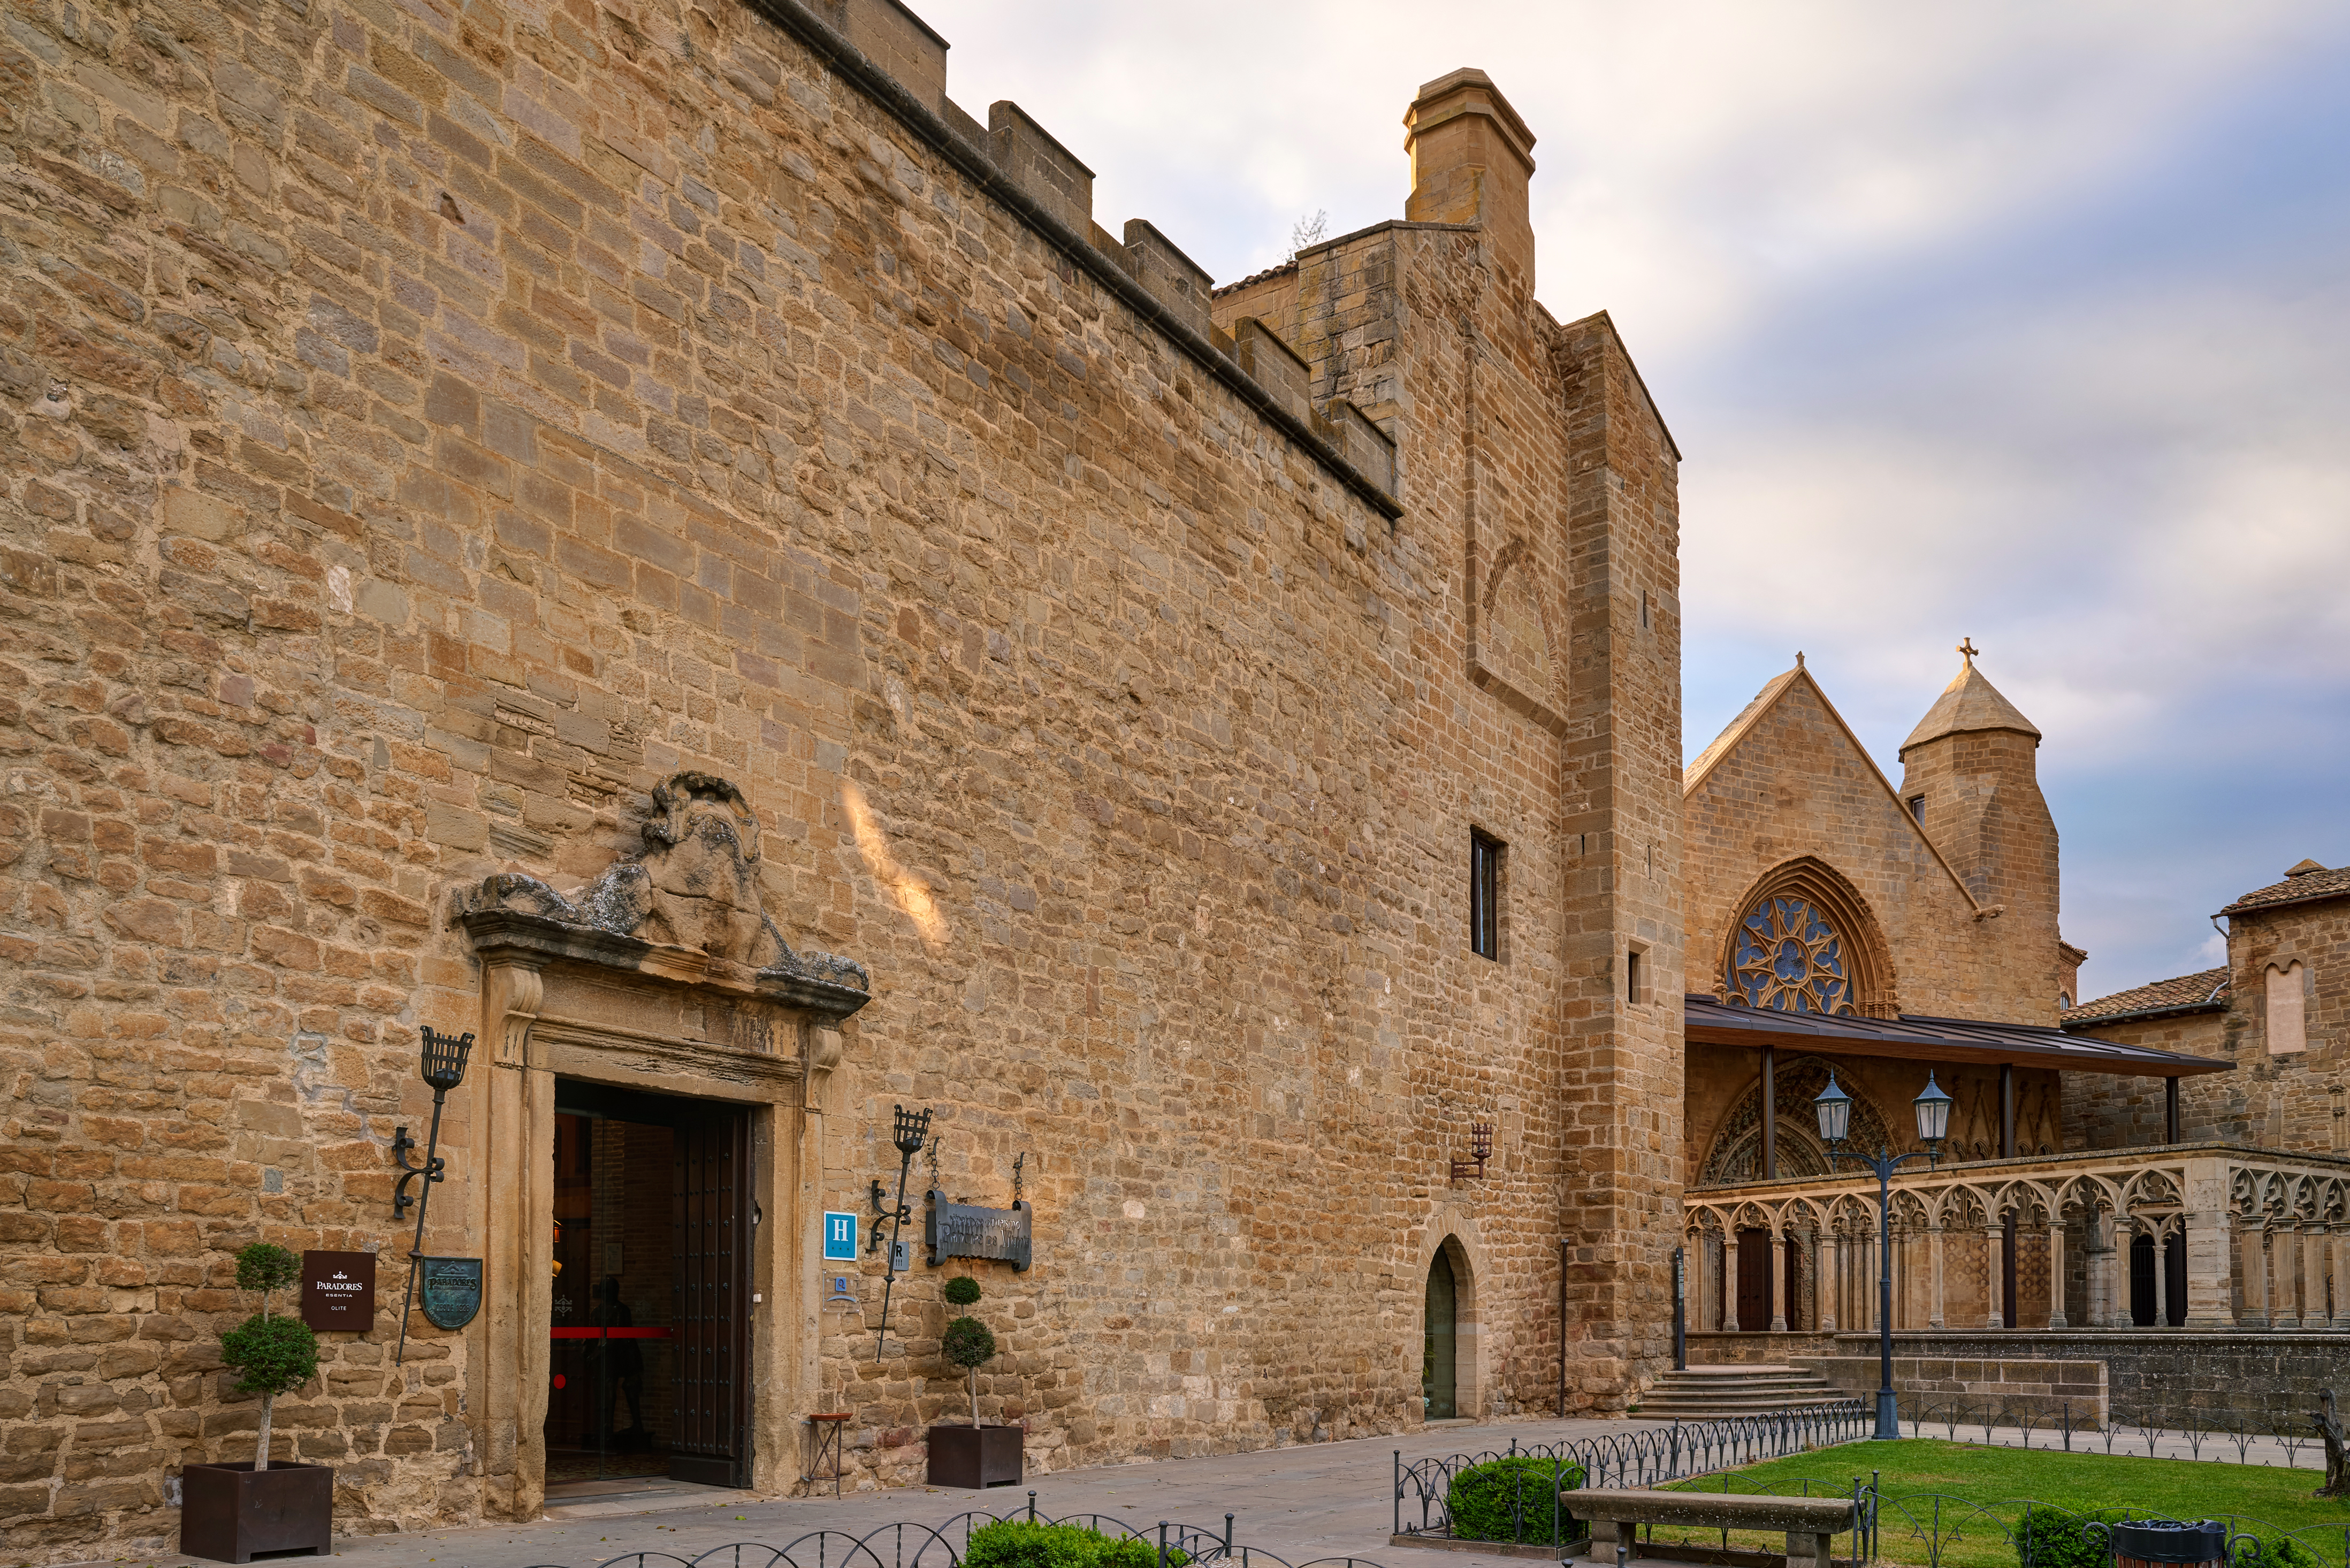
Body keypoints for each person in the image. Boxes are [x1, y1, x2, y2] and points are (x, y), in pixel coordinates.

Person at [590, 1276, 646, 1445]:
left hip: (626, 1354)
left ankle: (637, 1425)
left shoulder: (622, 1310)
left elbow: (617, 1336)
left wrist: (598, 1352)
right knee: (607, 1388)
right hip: (610, 1356)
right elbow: (593, 1336)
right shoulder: (597, 1312)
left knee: (631, 1388)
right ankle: (606, 1426)